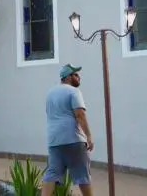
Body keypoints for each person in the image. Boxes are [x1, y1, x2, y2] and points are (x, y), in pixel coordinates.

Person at [43, 64, 93, 196]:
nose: (79, 77)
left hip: (54, 141)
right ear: (68, 77)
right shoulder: (73, 91)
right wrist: (89, 136)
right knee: (83, 175)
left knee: (52, 174)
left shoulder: (50, 93)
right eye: (76, 75)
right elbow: (80, 114)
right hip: (73, 139)